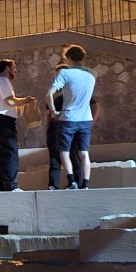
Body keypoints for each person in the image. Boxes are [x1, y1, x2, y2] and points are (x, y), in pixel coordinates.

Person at [47, 44, 98, 190]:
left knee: (64, 151)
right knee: (84, 153)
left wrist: (54, 111)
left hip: (68, 118)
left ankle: (71, 182)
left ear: (68, 58)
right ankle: (86, 184)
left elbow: (48, 94)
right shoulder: (92, 74)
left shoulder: (64, 73)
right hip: (86, 118)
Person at [0, 59, 34, 192]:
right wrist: (25, 100)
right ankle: (11, 186)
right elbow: (9, 100)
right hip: (4, 122)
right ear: (7, 68)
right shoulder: (3, 81)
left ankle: (5, 186)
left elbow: (9, 103)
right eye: (14, 67)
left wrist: (21, 105)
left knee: (2, 155)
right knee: (10, 153)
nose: (16, 69)